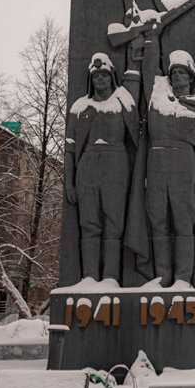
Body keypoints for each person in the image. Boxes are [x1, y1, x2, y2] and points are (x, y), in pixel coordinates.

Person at [64, 53, 139, 283]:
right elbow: (70, 149)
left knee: (114, 224)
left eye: (105, 75)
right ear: (91, 78)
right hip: (87, 167)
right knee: (89, 224)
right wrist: (69, 181)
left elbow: (136, 141)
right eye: (96, 76)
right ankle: (89, 276)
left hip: (116, 166)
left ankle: (110, 277)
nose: (101, 80)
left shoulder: (122, 102)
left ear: (112, 77)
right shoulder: (80, 107)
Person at [143, 49, 195, 289]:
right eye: (173, 72)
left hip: (185, 168)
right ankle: (163, 275)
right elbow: (149, 71)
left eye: (182, 72)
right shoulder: (158, 99)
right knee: (159, 222)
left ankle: (183, 277)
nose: (177, 76)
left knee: (183, 224)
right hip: (156, 167)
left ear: (192, 76)